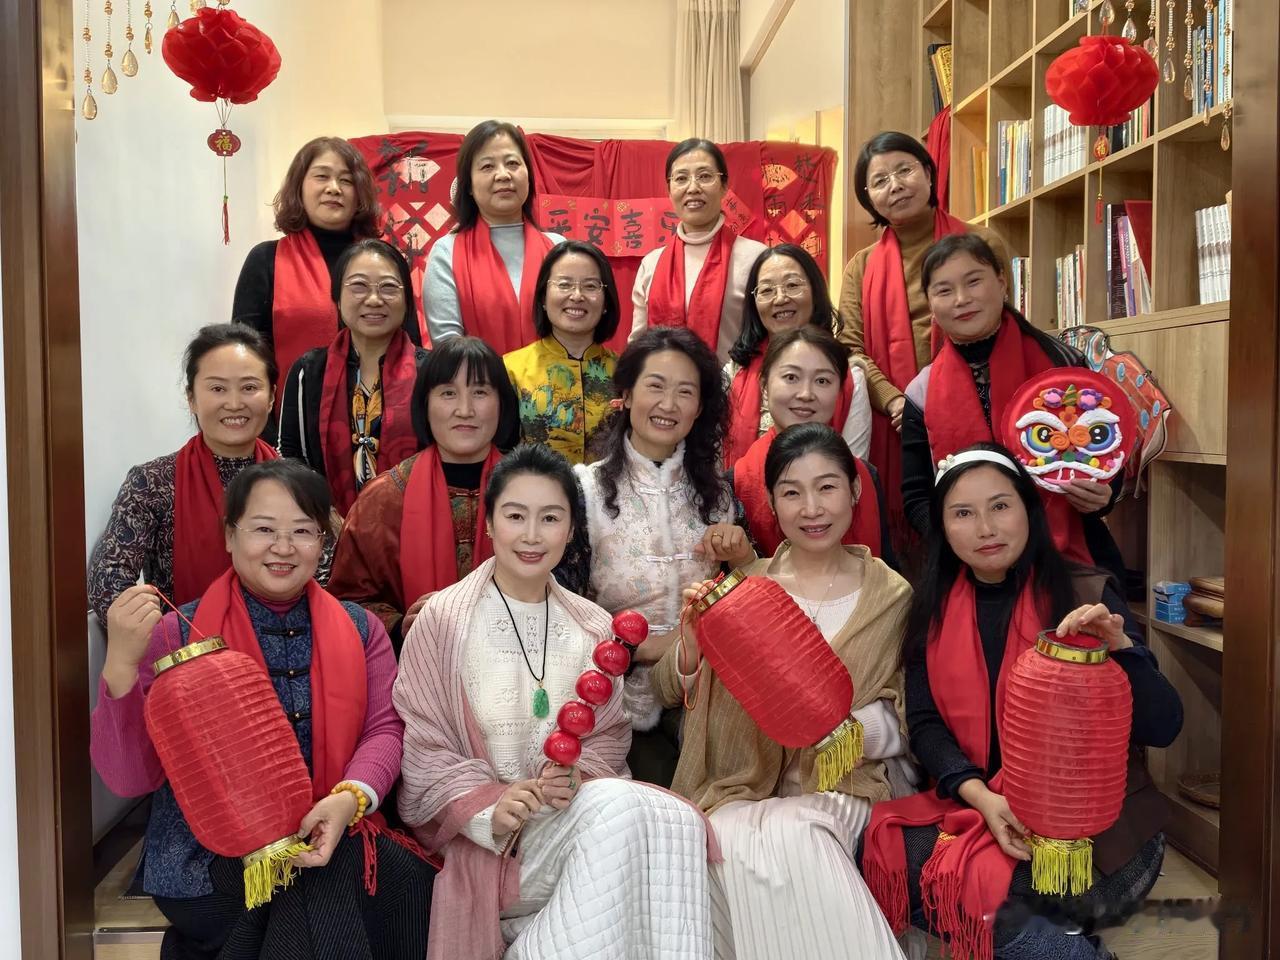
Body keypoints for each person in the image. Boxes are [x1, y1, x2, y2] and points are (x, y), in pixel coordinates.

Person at [90, 460, 433, 960]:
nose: (283, 547)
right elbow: (130, 778)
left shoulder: (362, 629)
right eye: (264, 529)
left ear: (322, 543)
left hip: (334, 824)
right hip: (204, 856)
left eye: (302, 531)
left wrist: (348, 800)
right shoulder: (176, 634)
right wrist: (120, 665)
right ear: (230, 536)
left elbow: (384, 730)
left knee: (326, 875)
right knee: (326, 877)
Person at [393, 444, 716, 959]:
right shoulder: (443, 621)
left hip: (570, 823)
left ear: (570, 531)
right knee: (621, 809)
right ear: (490, 524)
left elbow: (608, 739)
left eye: (550, 518)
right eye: (515, 516)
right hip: (494, 845)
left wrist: (575, 776)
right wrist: (492, 806)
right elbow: (424, 751)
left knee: (673, 822)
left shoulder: (593, 627)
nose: (532, 535)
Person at [860, 443, 1183, 960]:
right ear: (942, 527)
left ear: (1029, 510)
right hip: (983, 808)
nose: (986, 528)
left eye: (1000, 506)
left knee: (987, 900)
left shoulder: (1084, 593)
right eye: (963, 513)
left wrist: (1123, 650)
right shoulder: (931, 610)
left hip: (1093, 836)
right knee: (879, 853)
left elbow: (1164, 726)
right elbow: (926, 724)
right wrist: (986, 801)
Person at [655, 423, 914, 960]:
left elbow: (905, 706)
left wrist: (841, 731)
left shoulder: (891, 594)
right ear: (772, 503)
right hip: (741, 782)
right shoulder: (746, 589)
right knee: (724, 834)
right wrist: (694, 642)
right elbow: (668, 688)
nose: (811, 508)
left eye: (827, 487)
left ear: (855, 491)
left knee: (799, 828)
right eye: (792, 492)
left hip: (847, 784)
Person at [575, 327, 751, 786]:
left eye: (685, 392)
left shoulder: (720, 496)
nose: (669, 404)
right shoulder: (584, 490)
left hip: (706, 693)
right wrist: (642, 648)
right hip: (608, 699)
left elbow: (745, 599)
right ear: (628, 394)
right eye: (655, 386)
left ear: (700, 408)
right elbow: (560, 605)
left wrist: (743, 556)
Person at [900, 233, 1124, 578]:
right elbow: (916, 495)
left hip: (1070, 558)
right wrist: (960, 536)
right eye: (944, 290)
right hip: (967, 566)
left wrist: (1102, 495)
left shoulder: (1062, 367)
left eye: (973, 281)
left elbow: (1107, 454)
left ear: (1002, 282)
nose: (961, 299)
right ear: (930, 303)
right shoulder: (921, 392)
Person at [838, 131, 1012, 542]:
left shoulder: (982, 243)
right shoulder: (861, 267)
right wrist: (897, 401)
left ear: (929, 174)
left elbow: (1005, 323)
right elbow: (849, 348)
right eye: (880, 180)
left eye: (905, 170)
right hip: (895, 420)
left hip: (979, 404)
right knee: (911, 527)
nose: (895, 185)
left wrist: (946, 394)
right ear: (868, 197)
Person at [326, 336, 523, 651]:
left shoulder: (533, 492)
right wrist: (399, 625)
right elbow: (345, 603)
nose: (465, 410)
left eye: (480, 392)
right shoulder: (386, 498)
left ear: (503, 404)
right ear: (425, 404)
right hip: (411, 667)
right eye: (448, 393)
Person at [88, 324, 279, 627]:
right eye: (217, 389)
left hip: (284, 647)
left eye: (249, 388)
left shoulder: (295, 482)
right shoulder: (153, 482)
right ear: (192, 398)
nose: (234, 403)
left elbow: (323, 576)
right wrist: (166, 637)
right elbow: (107, 582)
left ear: (271, 397)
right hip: (186, 648)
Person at [233, 137, 412, 403]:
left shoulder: (385, 260)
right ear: (299, 187)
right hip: (293, 416)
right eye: (321, 176)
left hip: (384, 415)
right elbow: (244, 356)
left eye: (346, 180)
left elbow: (410, 347)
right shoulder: (266, 259)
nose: (334, 188)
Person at [278, 238, 430, 516]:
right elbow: (291, 454)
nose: (374, 300)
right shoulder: (308, 370)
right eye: (359, 286)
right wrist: (323, 514)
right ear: (337, 297)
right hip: (326, 525)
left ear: (407, 299)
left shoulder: (431, 371)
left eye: (388, 287)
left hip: (414, 523)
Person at [730, 326, 891, 564]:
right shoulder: (735, 483)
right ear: (764, 386)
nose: (806, 394)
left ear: (839, 391)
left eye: (822, 380)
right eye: (791, 378)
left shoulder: (865, 476)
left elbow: (888, 566)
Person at [422, 120, 563, 354]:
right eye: (487, 166)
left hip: (558, 377)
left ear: (528, 175)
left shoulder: (558, 249)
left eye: (512, 163)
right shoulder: (447, 252)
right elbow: (449, 349)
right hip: (477, 377)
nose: (503, 175)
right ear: (468, 185)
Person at [724, 243, 870, 467]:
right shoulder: (734, 371)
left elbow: (855, 467)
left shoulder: (850, 374)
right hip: (741, 488)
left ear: (815, 291)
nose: (780, 298)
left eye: (792, 285)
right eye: (767, 290)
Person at [630, 139, 768, 364]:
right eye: (681, 178)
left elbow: (769, 338)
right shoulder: (651, 263)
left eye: (704, 176)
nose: (693, 188)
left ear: (724, 185)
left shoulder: (756, 258)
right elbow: (638, 345)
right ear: (669, 189)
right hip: (665, 385)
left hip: (737, 385)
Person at [503, 240, 620, 464]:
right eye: (564, 284)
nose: (577, 296)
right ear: (543, 297)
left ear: (606, 301)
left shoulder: (625, 372)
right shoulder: (511, 370)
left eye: (590, 286)